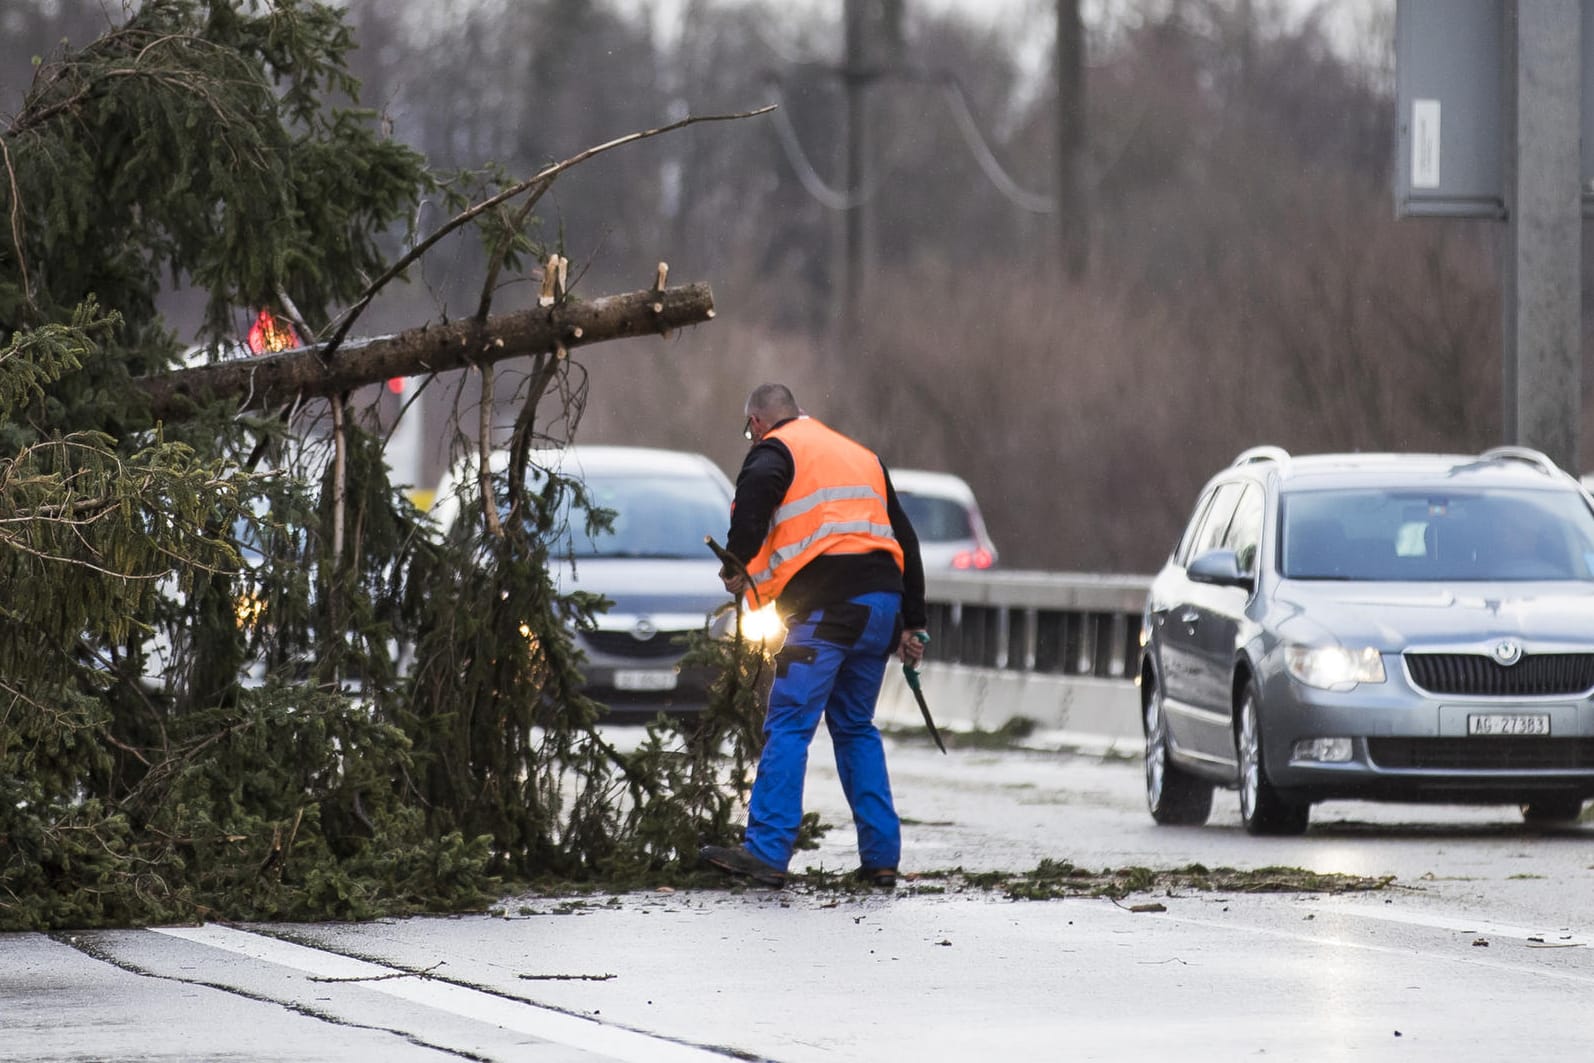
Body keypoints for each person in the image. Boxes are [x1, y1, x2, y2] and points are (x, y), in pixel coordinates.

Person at [700, 383, 928, 890]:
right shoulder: (861, 455)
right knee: (855, 727)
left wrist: (736, 562)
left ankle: (766, 852)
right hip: (881, 608)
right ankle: (882, 858)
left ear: (758, 422)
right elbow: (904, 538)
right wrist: (914, 620)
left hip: (828, 609)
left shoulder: (775, 451)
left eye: (748, 430)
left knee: (789, 724)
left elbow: (756, 494)